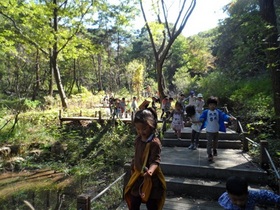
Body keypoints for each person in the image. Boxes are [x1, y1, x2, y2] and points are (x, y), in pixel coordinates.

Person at [124, 108, 166, 210]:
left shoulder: (154, 143)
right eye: (138, 129)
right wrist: (133, 164)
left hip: (151, 179)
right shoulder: (138, 139)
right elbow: (137, 154)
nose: (140, 132)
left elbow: (155, 161)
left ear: (151, 126)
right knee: (134, 203)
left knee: (151, 205)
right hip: (138, 177)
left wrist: (150, 171)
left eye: (144, 129)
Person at [199, 96, 235, 161]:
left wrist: (229, 118)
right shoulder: (206, 112)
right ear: (208, 105)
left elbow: (224, 115)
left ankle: (215, 149)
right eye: (210, 104)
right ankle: (209, 154)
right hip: (209, 131)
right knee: (209, 143)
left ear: (216, 105)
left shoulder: (218, 112)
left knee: (215, 142)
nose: (212, 106)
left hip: (216, 130)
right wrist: (200, 119)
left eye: (214, 105)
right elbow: (201, 117)